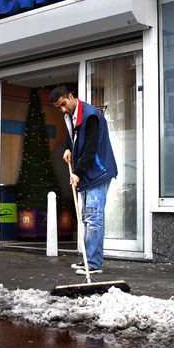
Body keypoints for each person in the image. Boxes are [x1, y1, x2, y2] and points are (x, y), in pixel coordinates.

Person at [50, 86, 117, 275]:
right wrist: (68, 149)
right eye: (58, 107)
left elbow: (90, 148)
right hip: (87, 173)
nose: (63, 109)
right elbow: (75, 139)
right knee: (87, 219)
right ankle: (88, 260)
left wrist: (77, 172)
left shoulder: (90, 116)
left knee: (94, 219)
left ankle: (94, 264)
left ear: (71, 97)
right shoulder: (70, 116)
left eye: (63, 104)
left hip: (98, 172)